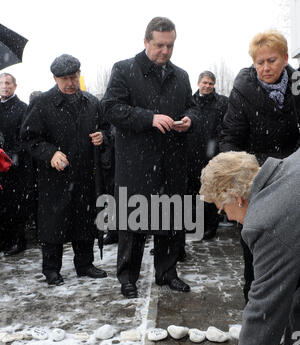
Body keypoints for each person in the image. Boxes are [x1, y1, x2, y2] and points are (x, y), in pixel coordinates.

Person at [102, 17, 199, 299]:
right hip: (136, 163)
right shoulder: (124, 69)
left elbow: (192, 107)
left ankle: (167, 272)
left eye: (170, 46)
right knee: (133, 223)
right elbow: (110, 108)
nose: (165, 51)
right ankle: (128, 277)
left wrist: (189, 120)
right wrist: (149, 118)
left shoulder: (180, 75)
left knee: (169, 220)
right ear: (146, 42)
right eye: (159, 45)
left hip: (172, 162)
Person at [200, 150, 300, 345]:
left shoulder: (265, 220)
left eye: (223, 209)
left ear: (237, 198)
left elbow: (266, 301)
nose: (228, 218)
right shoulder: (290, 166)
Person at [219, 30, 300, 303]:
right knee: (255, 245)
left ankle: (291, 310)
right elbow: (231, 136)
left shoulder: (297, 87)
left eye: (272, 61)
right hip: (259, 179)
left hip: (292, 177)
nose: (266, 68)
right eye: (260, 62)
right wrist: (234, 180)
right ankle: (254, 306)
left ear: (286, 58)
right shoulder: (243, 90)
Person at [21, 54, 108, 286]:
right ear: (54, 78)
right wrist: (50, 153)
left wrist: (103, 136)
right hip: (55, 177)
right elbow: (29, 139)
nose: (71, 83)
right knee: (53, 223)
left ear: (80, 75)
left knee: (85, 220)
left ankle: (85, 264)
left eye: (74, 77)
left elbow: (107, 129)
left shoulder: (91, 102)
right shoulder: (41, 104)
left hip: (85, 174)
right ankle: (51, 269)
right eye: (65, 79)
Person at [187, 71, 228, 240]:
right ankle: (193, 224)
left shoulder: (222, 103)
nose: (207, 86)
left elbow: (227, 125)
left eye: (211, 83)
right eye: (204, 82)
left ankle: (211, 226)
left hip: (213, 153)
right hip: (192, 152)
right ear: (198, 83)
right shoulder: (190, 101)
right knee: (192, 190)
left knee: (211, 191)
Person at [0, 73, 30, 255]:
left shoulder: (22, 108)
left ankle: (18, 240)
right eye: (1, 83)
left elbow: (26, 137)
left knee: (15, 205)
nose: (4, 86)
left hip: (15, 165)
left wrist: (11, 154)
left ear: (15, 86)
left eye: (8, 83)